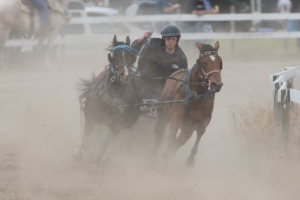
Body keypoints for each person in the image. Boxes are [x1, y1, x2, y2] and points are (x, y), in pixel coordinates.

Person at [131, 24, 188, 100]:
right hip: (144, 82)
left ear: (177, 40)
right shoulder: (152, 44)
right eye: (168, 39)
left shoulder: (181, 58)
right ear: (164, 39)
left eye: (173, 39)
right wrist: (142, 39)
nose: (170, 42)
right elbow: (132, 51)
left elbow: (182, 79)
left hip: (165, 89)